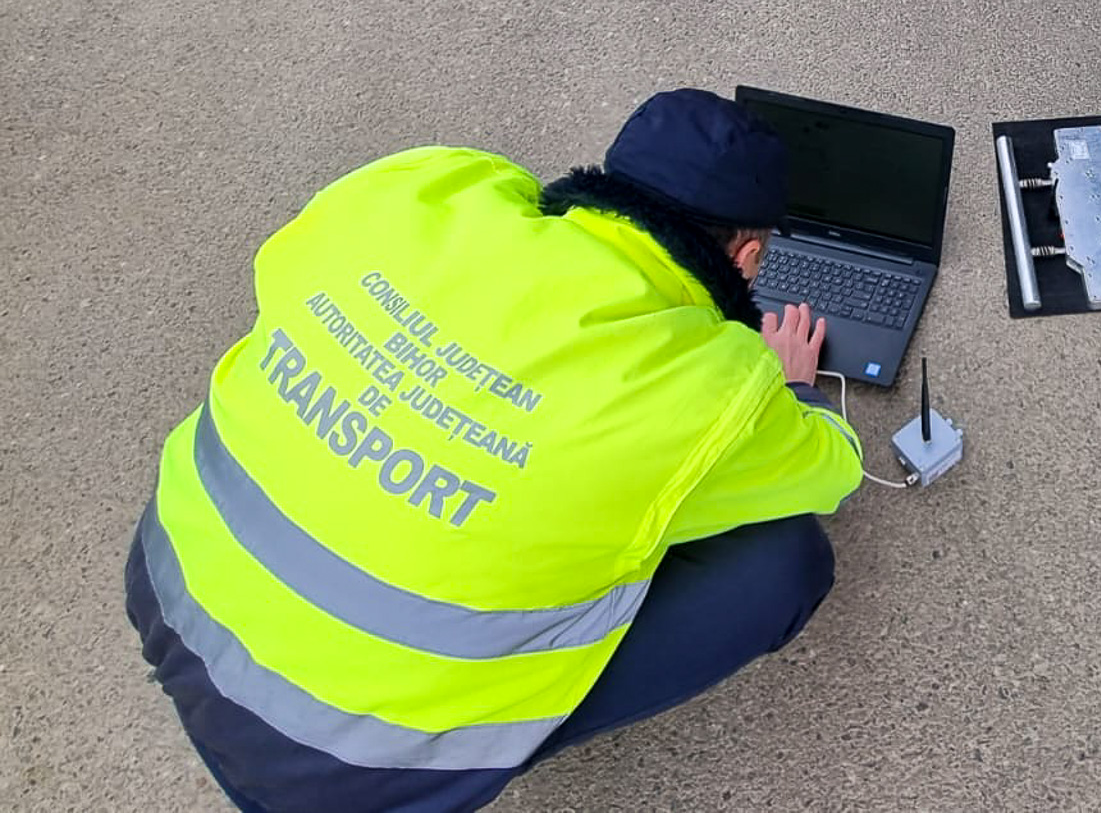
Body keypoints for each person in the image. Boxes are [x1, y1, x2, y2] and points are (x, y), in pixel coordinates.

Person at [125, 89, 865, 812]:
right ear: (750, 256)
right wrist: (786, 389)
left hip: (168, 593)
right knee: (785, 563)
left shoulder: (429, 186)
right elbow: (833, 471)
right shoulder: (717, 386)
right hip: (347, 774)